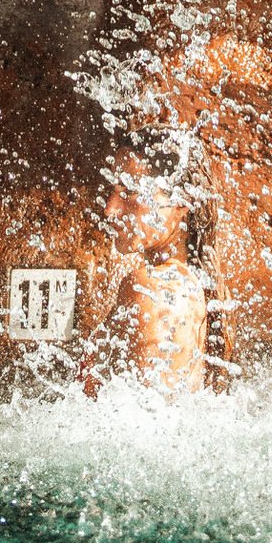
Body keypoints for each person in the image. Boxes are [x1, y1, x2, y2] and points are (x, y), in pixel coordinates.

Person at [85, 147, 215, 395]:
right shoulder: (188, 285)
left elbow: (140, 426)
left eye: (130, 190)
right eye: (113, 190)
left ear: (181, 200)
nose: (109, 209)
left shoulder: (150, 290)